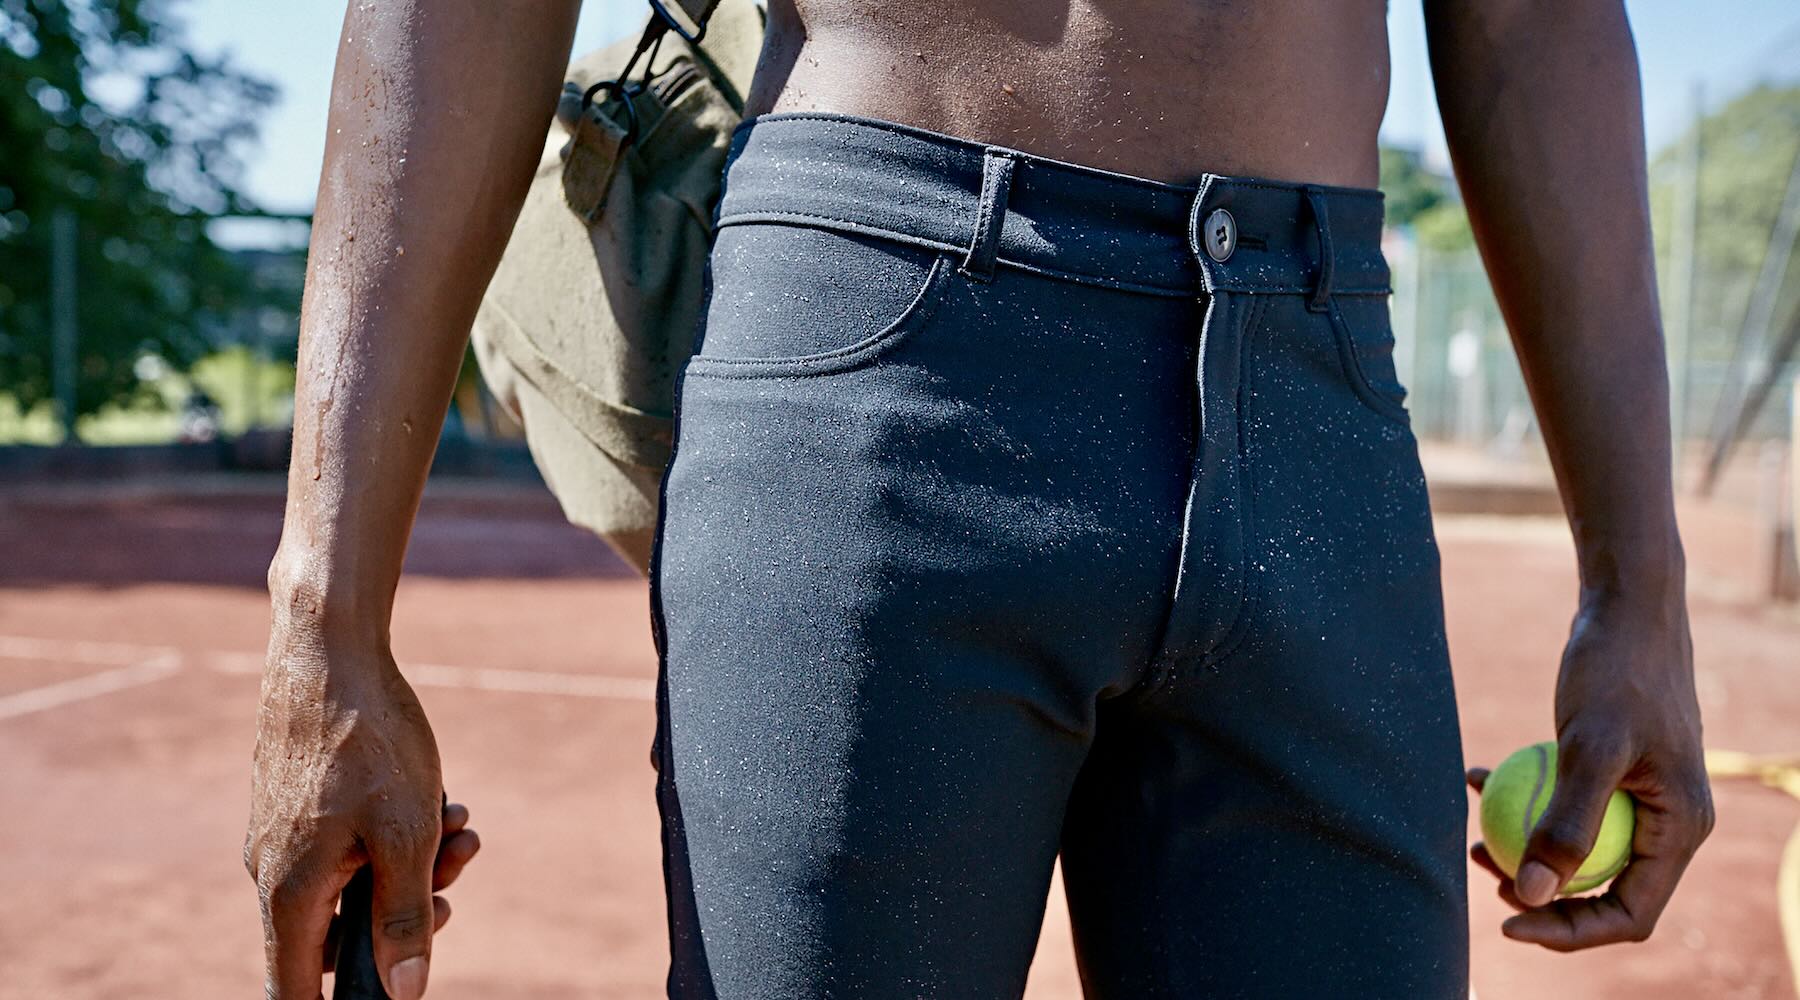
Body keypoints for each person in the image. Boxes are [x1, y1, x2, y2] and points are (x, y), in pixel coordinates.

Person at [243, 1, 1714, 997]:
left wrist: (1639, 590)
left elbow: (1535, 18)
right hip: (875, 338)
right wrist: (325, 617)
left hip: (1318, 384)